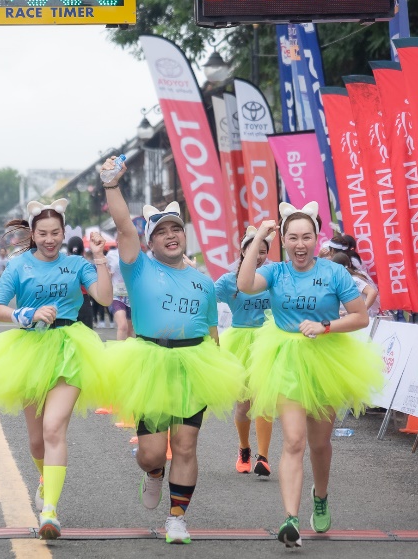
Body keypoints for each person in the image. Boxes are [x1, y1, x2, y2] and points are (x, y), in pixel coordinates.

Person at [100, 157, 245, 545]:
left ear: (184, 236)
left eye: (176, 229)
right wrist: (112, 186)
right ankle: (151, 474)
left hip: (194, 364)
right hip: (151, 362)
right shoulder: (138, 267)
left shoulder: (203, 282)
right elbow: (123, 226)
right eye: (161, 231)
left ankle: (177, 517)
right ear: (150, 241)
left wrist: (217, 368)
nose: (170, 235)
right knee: (151, 453)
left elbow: (212, 333)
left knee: (185, 443)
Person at [236, 201, 384, 548]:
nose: (299, 244)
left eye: (306, 237)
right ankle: (290, 518)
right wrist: (259, 236)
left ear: (317, 239)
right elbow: (244, 283)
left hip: (324, 360)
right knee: (293, 441)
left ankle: (320, 495)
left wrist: (325, 326)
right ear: (283, 240)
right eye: (292, 237)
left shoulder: (334, 273)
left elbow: (361, 317)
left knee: (318, 444)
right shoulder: (275, 272)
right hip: (285, 360)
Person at [0, 199, 112, 541]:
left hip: (70, 348)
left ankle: (50, 511)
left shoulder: (77, 264)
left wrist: (100, 257)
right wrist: (25, 314)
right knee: (35, 442)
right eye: (43, 233)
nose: (49, 239)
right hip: (30, 349)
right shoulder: (19, 267)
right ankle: (45, 480)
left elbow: (104, 297)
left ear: (64, 232)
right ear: (33, 234)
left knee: (53, 428)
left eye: (55, 233)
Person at [214, 226, 274, 477]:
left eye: (263, 251)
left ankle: (264, 457)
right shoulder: (228, 280)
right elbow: (205, 298)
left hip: (268, 341)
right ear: (242, 251)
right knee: (243, 404)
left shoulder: (274, 275)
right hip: (238, 342)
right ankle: (244, 447)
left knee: (265, 399)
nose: (258, 255)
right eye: (253, 250)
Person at [331, 251, 381, 317]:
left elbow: (372, 292)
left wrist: (362, 310)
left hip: (369, 318)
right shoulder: (341, 281)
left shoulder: (353, 279)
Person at [66, 236, 95, 328]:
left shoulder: (62, 266)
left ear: (67, 251)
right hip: (84, 303)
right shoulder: (87, 265)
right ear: (83, 251)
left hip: (67, 303)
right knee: (86, 338)